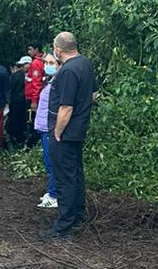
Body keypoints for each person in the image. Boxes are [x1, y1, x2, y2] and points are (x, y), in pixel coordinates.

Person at [42, 32, 96, 240]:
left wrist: (57, 131)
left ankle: (63, 227)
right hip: (78, 130)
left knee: (64, 178)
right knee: (75, 173)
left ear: (58, 50)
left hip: (64, 134)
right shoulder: (85, 64)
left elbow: (66, 108)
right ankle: (77, 215)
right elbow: (93, 94)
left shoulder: (68, 71)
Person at [34, 52, 58, 208]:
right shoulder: (51, 81)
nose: (47, 66)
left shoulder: (57, 85)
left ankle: (54, 195)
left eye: (51, 62)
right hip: (44, 128)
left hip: (50, 128)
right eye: (46, 62)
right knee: (49, 162)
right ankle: (52, 191)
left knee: (52, 163)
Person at [7, 55, 32, 147]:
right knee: (22, 121)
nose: (22, 67)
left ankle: (16, 139)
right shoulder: (23, 76)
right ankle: (21, 139)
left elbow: (10, 89)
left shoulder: (15, 75)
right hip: (22, 102)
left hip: (16, 102)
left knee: (16, 120)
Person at [24, 43, 45, 129]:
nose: (29, 52)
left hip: (32, 97)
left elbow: (36, 83)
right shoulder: (40, 61)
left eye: (30, 49)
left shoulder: (36, 63)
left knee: (31, 120)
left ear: (36, 49)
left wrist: (34, 101)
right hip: (34, 96)